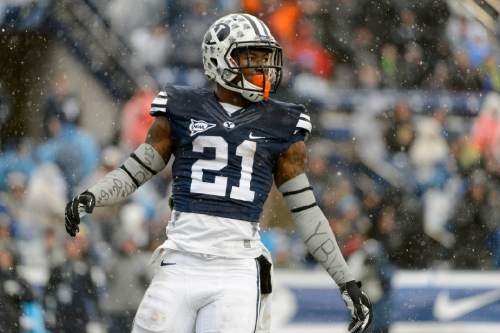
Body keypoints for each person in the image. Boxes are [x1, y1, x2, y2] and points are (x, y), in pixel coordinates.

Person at [64, 13, 373, 333]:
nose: (261, 67)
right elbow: (137, 169)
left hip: (236, 270)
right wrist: (94, 195)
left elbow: (305, 210)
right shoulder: (181, 106)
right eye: (250, 57)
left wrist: (346, 280)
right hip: (179, 260)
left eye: (264, 58)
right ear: (219, 58)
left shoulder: (282, 122)